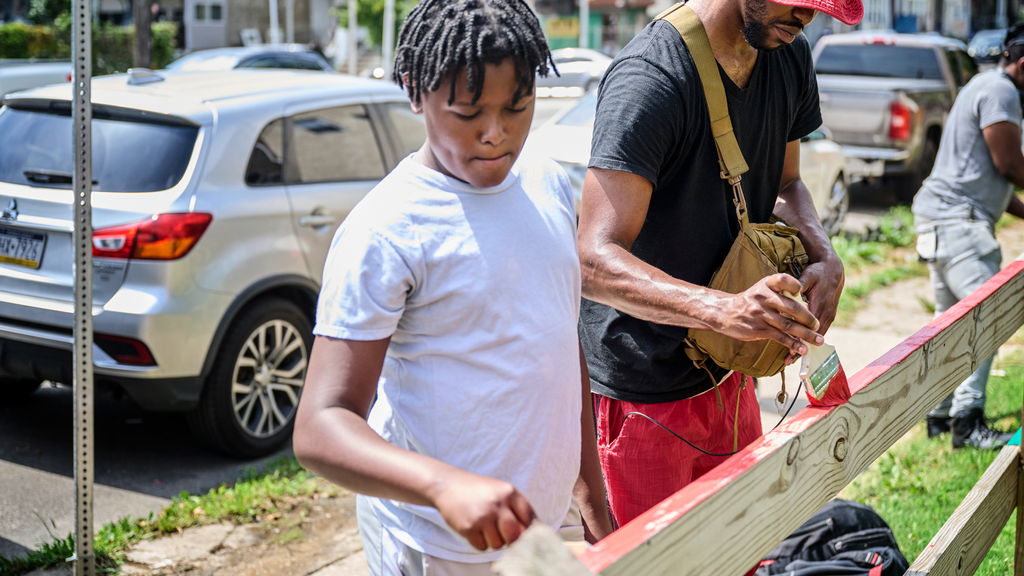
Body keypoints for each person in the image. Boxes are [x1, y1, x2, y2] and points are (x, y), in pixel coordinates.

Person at [292, 1, 613, 574]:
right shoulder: (385, 230)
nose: (496, 135)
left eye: (518, 108)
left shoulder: (546, 181)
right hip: (438, 546)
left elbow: (562, 349)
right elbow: (321, 425)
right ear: (416, 92)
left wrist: (588, 485)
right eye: (469, 113)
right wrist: (444, 487)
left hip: (543, 528)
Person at [577, 0, 859, 527]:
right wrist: (721, 310)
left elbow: (786, 182)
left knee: (739, 553)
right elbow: (593, 260)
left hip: (729, 370)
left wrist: (824, 252)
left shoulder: (787, 51)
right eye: (799, 1)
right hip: (645, 391)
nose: (807, 18)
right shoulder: (651, 77)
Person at [914, 24, 1024, 450]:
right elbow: (1010, 165)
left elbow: (992, 181)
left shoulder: (984, 84)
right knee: (987, 319)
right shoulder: (1002, 91)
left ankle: (939, 414)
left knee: (951, 326)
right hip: (959, 223)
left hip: (941, 219)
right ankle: (967, 421)